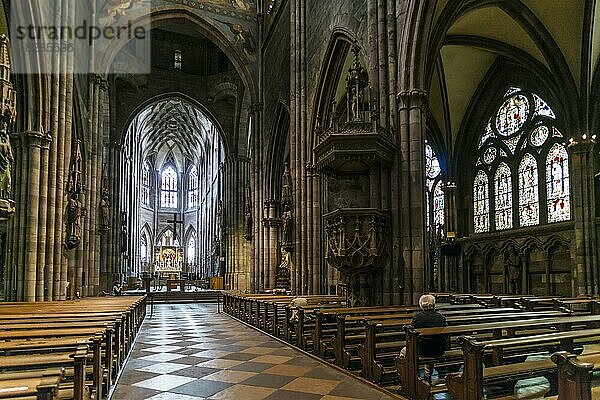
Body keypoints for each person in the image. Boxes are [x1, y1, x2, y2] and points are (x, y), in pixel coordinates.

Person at [400, 294, 448, 382]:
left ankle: (406, 375)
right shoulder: (441, 317)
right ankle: (427, 374)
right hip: (438, 349)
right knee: (431, 345)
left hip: (421, 349)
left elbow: (411, 333)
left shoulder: (417, 317)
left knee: (403, 352)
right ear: (433, 305)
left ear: (421, 305)